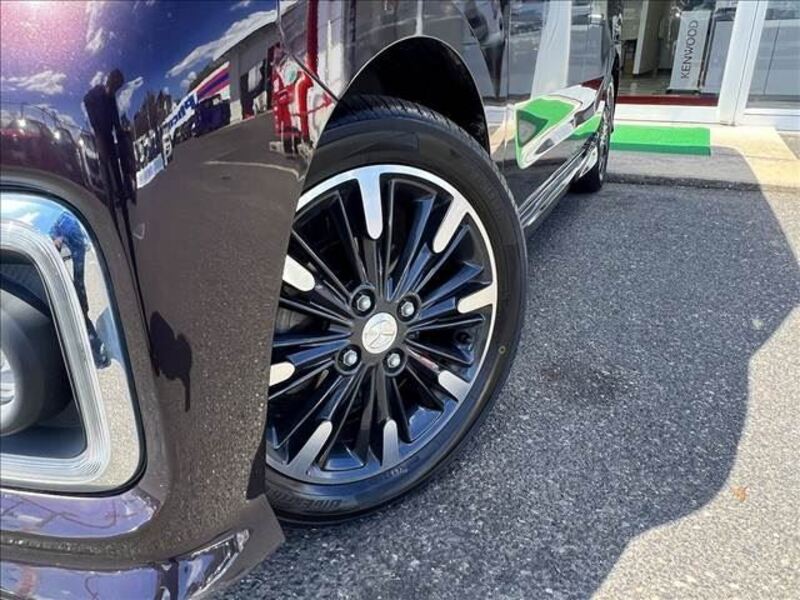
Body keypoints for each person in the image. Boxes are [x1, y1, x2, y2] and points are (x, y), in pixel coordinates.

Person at [50, 212, 110, 368]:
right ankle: (96, 354)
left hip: (72, 286)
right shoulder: (62, 224)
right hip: (71, 283)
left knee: (79, 314)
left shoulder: (63, 222)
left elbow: (77, 255)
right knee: (79, 312)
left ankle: (97, 355)